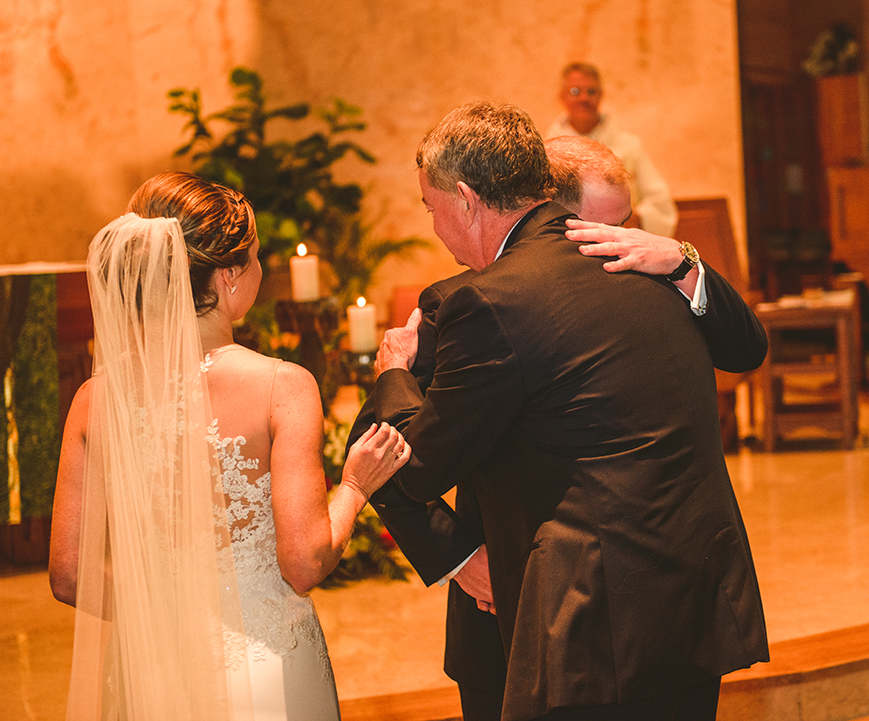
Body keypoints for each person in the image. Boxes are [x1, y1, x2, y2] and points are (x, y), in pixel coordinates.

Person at [368, 102, 768, 721]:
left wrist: (393, 370)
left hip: (583, 623)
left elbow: (409, 465)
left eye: (431, 206)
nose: (432, 223)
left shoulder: (490, 300)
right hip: (689, 606)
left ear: (467, 199)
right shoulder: (647, 274)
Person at [48, 171, 409, 720]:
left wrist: (164, 613)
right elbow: (305, 561)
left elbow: (69, 576)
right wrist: (356, 486)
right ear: (229, 276)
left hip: (149, 672)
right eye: (257, 257)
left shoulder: (93, 400)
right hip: (260, 673)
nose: (260, 269)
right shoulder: (281, 385)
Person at [546, 61, 678, 236]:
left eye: (591, 91)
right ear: (562, 97)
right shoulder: (545, 151)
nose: (583, 98)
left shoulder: (630, 146)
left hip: (619, 241)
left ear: (601, 95)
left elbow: (660, 205)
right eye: (575, 91)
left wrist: (628, 220)